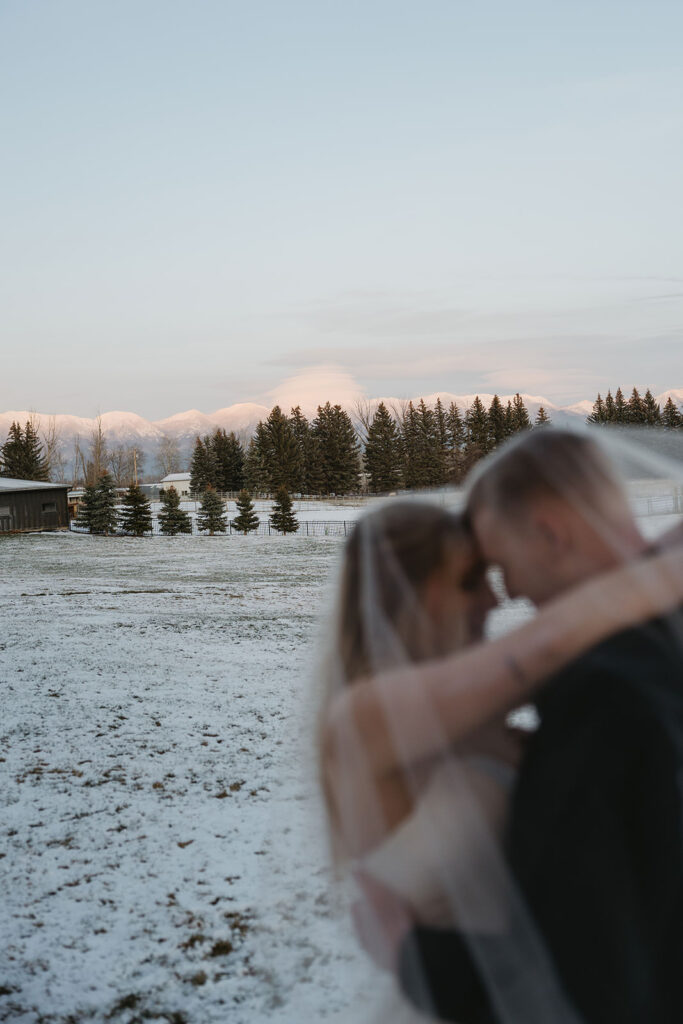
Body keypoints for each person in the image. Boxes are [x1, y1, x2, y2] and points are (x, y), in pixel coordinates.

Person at [320, 454, 683, 1019]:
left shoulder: (485, 713)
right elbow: (547, 647)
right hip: (456, 997)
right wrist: (654, 571)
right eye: (472, 580)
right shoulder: (365, 716)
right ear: (410, 596)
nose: (497, 599)